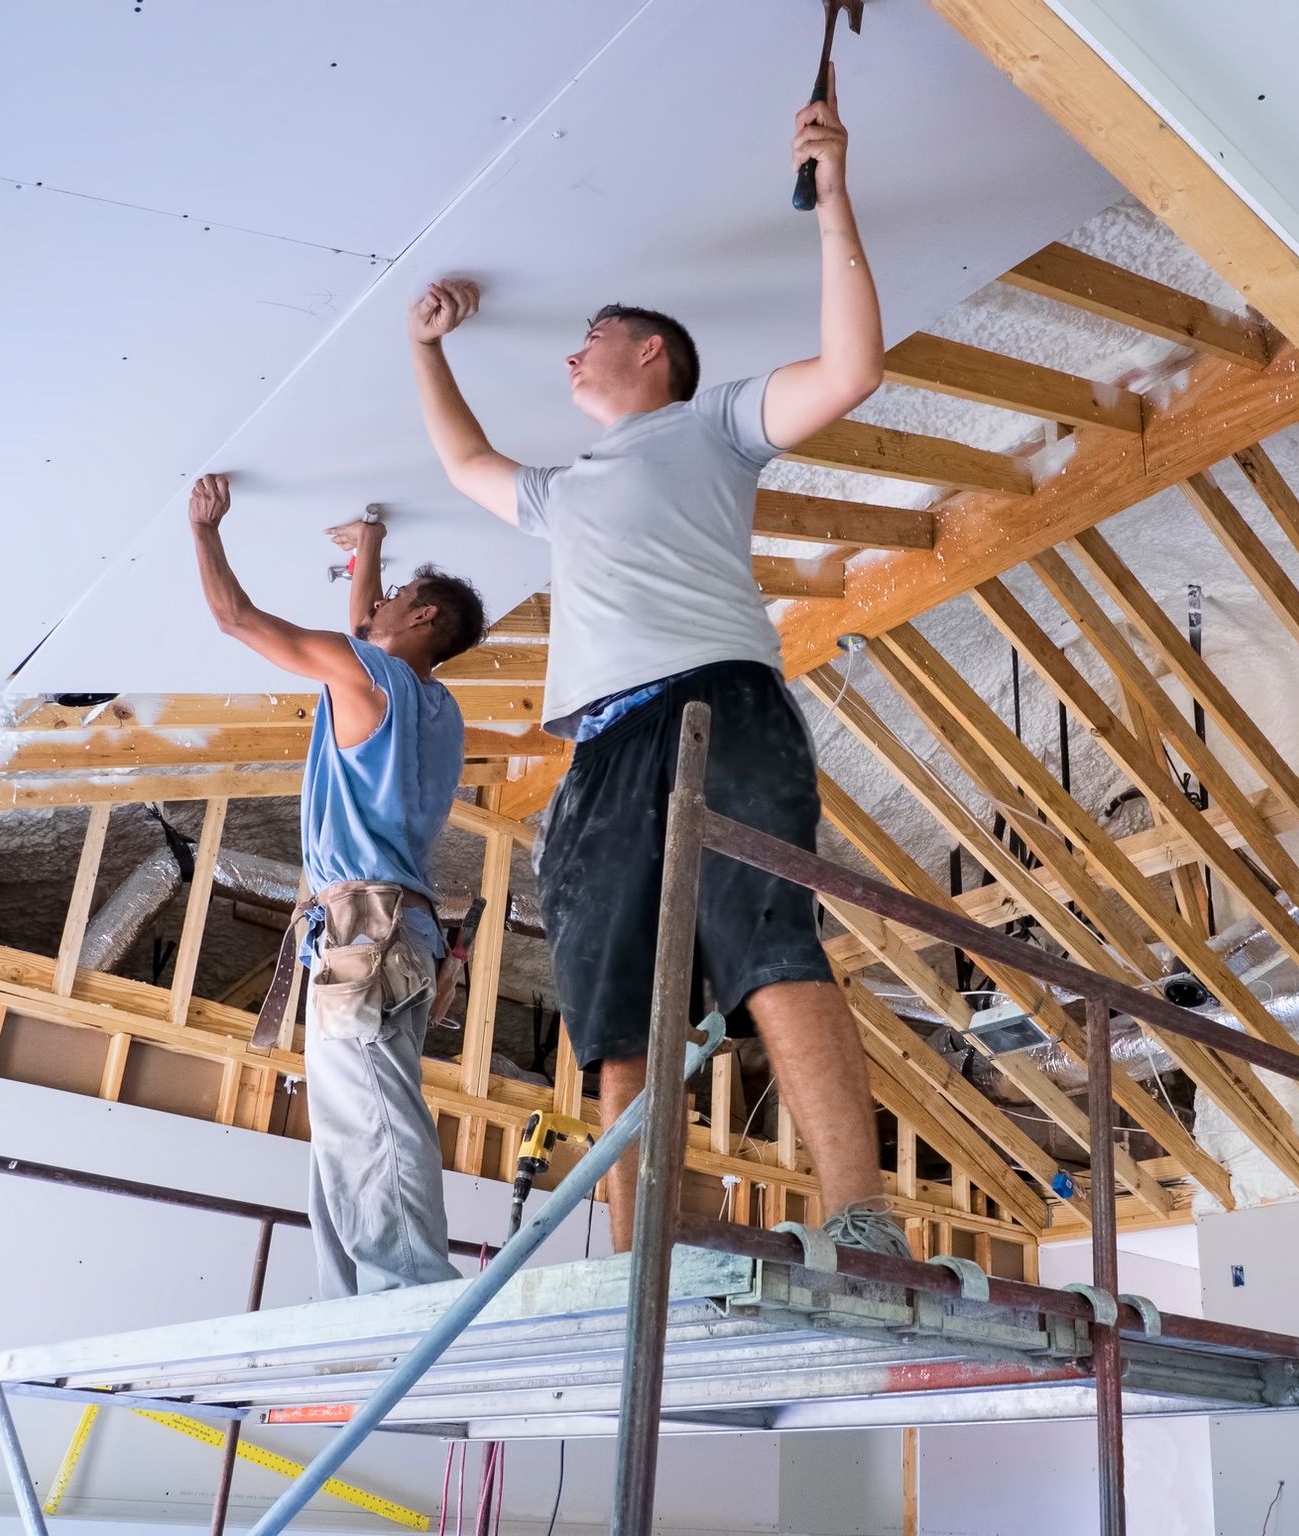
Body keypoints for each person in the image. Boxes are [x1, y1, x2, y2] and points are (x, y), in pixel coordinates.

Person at [406, 77, 905, 1257]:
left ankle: (860, 1217)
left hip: (715, 707)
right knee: (614, 997)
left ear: (649, 352)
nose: (571, 359)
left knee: (765, 942)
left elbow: (851, 370)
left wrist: (834, 198)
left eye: (587, 343)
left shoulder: (715, 423)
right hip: (600, 748)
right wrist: (421, 346)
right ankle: (645, 1252)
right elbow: (466, 459)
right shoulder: (564, 488)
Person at [188, 475, 488, 1295]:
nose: (377, 604)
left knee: (371, 1116)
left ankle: (406, 1293)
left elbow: (235, 619)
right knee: (345, 1125)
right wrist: (371, 549)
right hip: (386, 932)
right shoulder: (437, 706)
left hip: (366, 932)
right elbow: (367, 628)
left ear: (423, 617)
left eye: (396, 596)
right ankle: (349, 1303)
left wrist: (205, 530)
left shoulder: (367, 680)